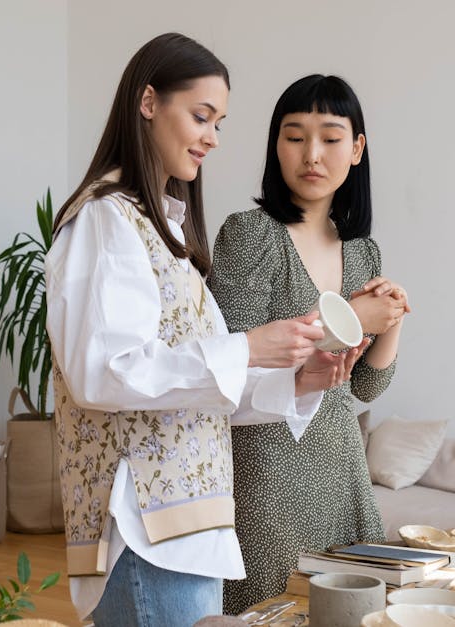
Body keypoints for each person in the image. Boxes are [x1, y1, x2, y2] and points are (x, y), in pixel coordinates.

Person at [46, 33, 355, 626]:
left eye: (220, 122)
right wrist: (247, 346)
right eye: (201, 116)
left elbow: (201, 394)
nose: (213, 136)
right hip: (145, 528)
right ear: (148, 103)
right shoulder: (105, 220)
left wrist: (298, 380)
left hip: (188, 525)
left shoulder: (164, 230)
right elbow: (104, 374)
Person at [209, 74, 409, 613]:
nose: (311, 154)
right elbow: (233, 357)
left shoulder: (362, 251)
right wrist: (352, 317)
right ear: (276, 147)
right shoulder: (250, 233)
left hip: (342, 467)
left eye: (330, 137)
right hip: (266, 469)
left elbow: (365, 386)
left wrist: (391, 319)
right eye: (294, 137)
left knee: (353, 614)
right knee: (270, 611)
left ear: (357, 149)